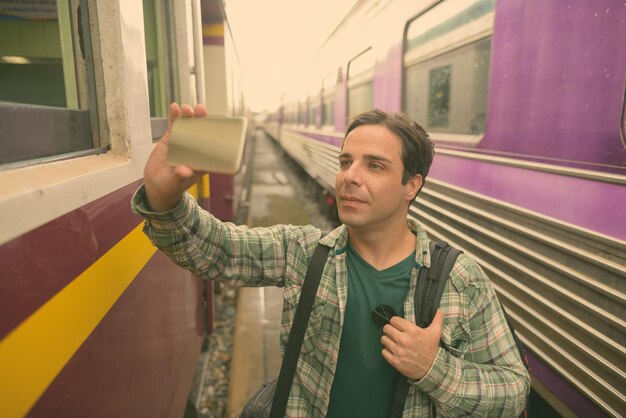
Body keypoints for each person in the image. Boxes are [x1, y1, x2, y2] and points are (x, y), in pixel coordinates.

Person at [132, 103, 530, 417]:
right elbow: (216, 249)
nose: (349, 177)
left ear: (412, 185)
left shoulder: (460, 279)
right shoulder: (305, 253)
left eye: (374, 165)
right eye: (345, 162)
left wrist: (433, 368)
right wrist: (165, 200)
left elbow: (512, 391)